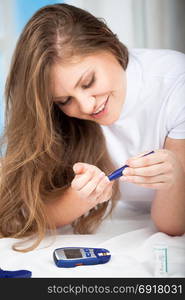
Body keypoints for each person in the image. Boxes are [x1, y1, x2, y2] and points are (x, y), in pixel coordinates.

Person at [0, 3, 184, 252]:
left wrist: (175, 176)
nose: (86, 106)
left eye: (88, 82)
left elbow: (172, 225)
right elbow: (37, 213)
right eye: (64, 100)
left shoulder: (176, 82)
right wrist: (79, 199)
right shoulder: (60, 119)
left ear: (109, 43)